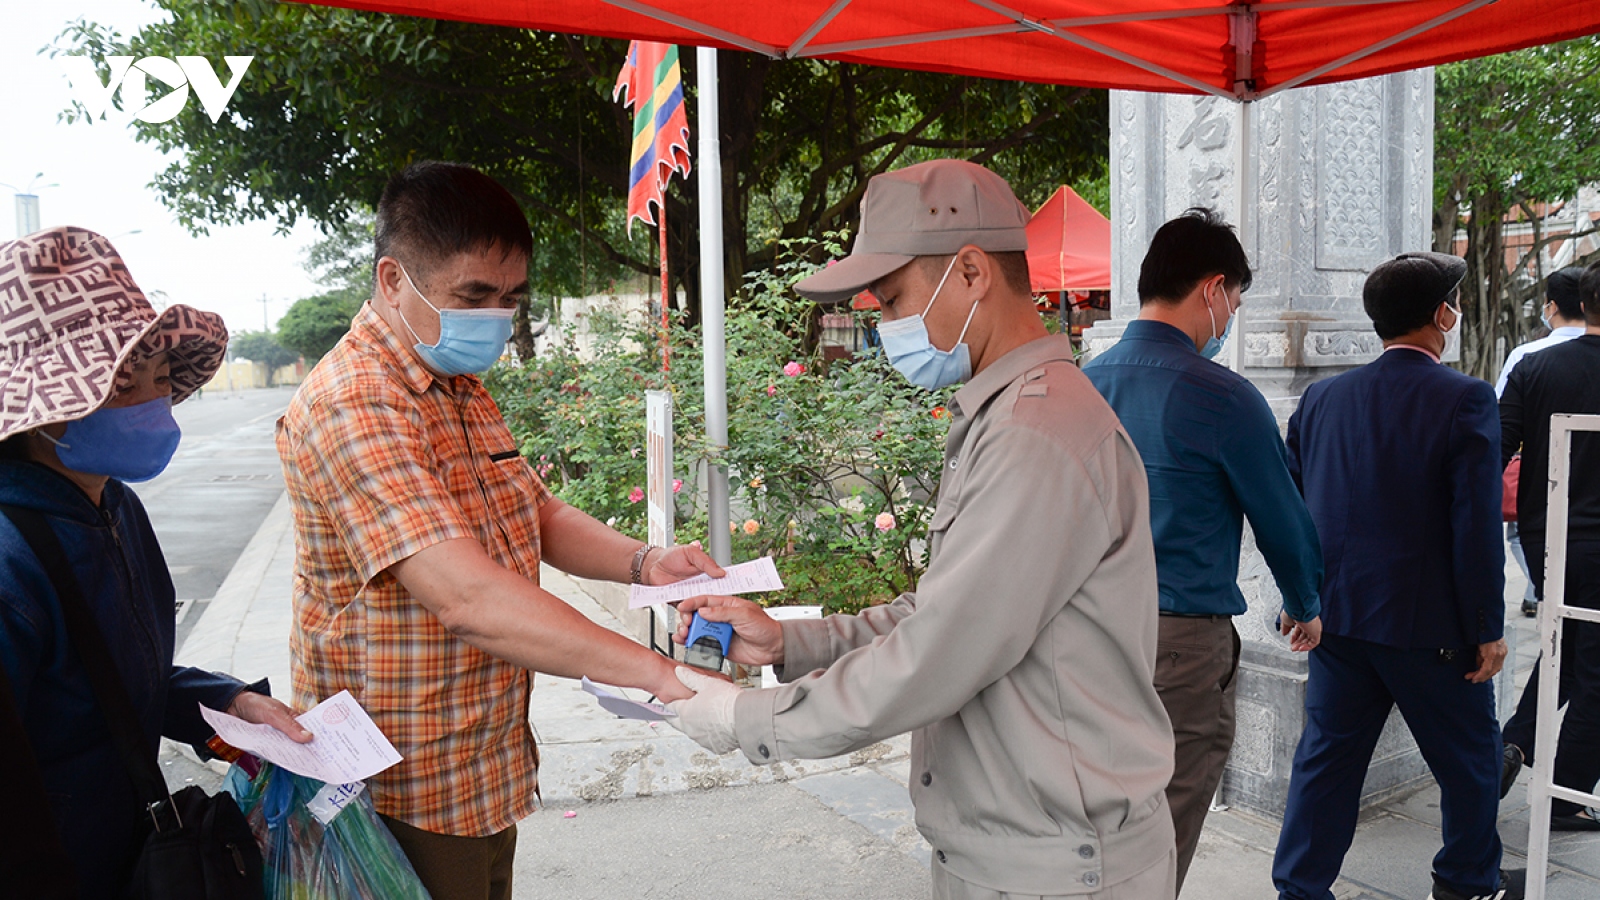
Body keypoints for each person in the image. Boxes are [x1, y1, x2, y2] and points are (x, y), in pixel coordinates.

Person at [667, 159, 1177, 900]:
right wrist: (790, 643)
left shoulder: (1038, 435)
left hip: (1057, 867)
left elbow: (938, 652)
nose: (886, 326)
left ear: (972, 272)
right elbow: (939, 614)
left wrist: (747, 717)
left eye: (894, 298)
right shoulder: (1007, 414)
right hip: (1018, 851)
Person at [275, 160, 724, 900]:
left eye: (510, 298)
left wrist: (648, 564)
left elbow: (534, 510)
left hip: (480, 761)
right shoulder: (355, 403)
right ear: (393, 281)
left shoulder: (454, 382)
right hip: (401, 785)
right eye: (473, 295)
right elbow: (467, 599)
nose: (494, 316)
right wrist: (661, 677)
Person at [0, 226, 311, 897]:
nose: (151, 403)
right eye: (119, 385)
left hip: (130, 852)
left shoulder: (114, 506)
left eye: (161, 378)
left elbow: (118, 678)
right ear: (43, 409)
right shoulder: (10, 560)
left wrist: (227, 702)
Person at [1082, 208, 1323, 892]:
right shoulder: (1225, 397)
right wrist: (1305, 603)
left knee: (1090, 814)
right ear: (1214, 289)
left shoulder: (1082, 384)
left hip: (1084, 634)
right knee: (1163, 824)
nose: (1231, 320)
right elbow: (1285, 522)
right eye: (1236, 303)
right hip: (1180, 649)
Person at [1273, 252, 1519, 900]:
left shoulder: (1322, 398)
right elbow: (1475, 526)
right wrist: (1487, 628)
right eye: (1456, 303)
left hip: (1337, 621)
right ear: (1443, 314)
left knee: (1324, 766)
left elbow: (1292, 511)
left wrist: (1296, 601)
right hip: (1430, 629)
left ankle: (1300, 888)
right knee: (1470, 763)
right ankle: (1467, 883)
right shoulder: (1465, 398)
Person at [1498, 260, 1600, 831]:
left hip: (1548, 536)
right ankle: (1565, 796)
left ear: (1581, 306)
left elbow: (1494, 445)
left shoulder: (1535, 367)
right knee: (1595, 674)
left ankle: (1512, 744)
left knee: (1566, 643)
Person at [1497, 267, 1588, 617]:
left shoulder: (1527, 358)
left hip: (1543, 503)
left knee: (1561, 627)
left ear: (1550, 307)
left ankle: (1537, 593)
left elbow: (1501, 431)